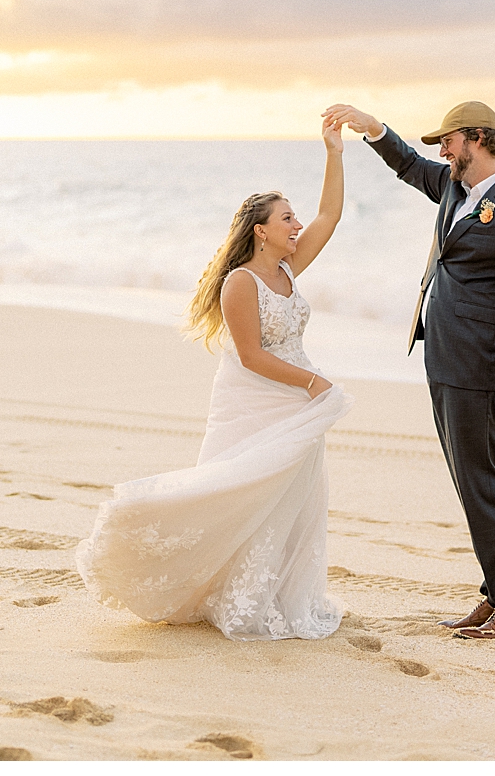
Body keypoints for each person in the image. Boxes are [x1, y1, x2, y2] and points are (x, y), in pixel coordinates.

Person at [76, 120, 352, 641]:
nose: (296, 225)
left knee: (294, 494)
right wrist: (314, 384)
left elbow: (330, 214)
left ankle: (278, 594)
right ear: (261, 231)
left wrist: (334, 152)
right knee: (236, 489)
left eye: (294, 217)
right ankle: (205, 580)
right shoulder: (239, 283)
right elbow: (250, 356)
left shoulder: (289, 268)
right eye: (286, 218)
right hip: (256, 399)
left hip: (296, 397)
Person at [321, 101, 495, 640]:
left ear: (478, 138)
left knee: (482, 484)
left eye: (448, 141)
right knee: (474, 481)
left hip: (484, 366)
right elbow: (407, 164)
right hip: (446, 357)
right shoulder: (457, 189)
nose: (441, 151)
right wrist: (373, 129)